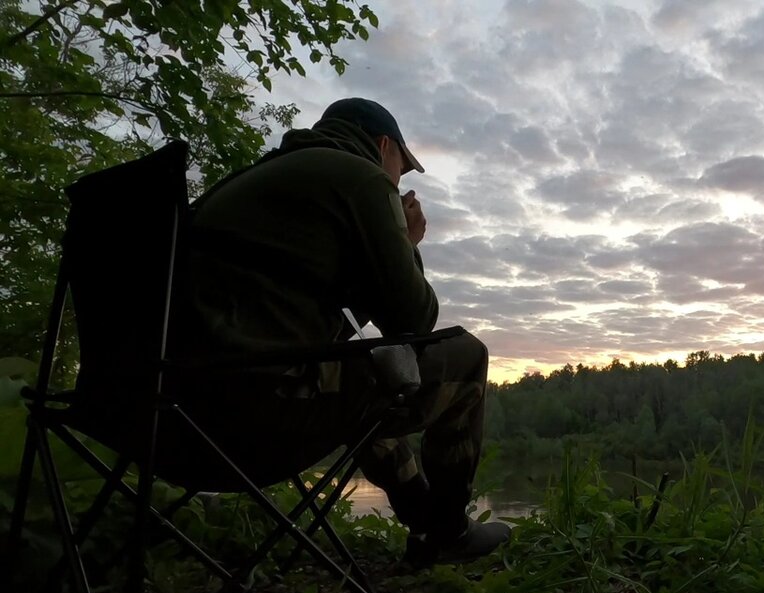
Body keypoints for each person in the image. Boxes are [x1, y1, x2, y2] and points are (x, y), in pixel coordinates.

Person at [166, 97, 510, 568]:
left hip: (162, 414)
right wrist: (407, 244)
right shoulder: (360, 177)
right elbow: (413, 318)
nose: (398, 181)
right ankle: (448, 532)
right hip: (259, 410)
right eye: (401, 169)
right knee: (465, 355)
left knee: (370, 377)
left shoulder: (250, 183)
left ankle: (424, 517)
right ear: (383, 145)